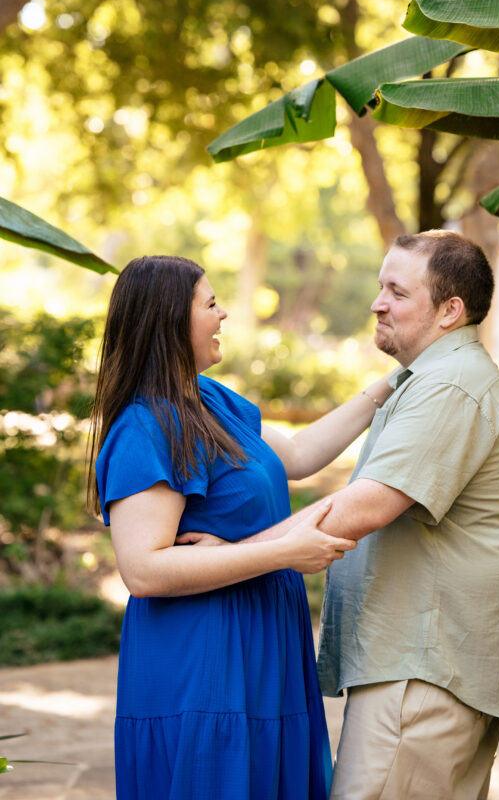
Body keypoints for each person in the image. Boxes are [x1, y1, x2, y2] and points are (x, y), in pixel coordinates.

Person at [86, 254, 393, 800]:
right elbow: (143, 570)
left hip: (262, 639)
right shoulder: (145, 426)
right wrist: (280, 552)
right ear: (169, 321)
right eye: (209, 304)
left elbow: (297, 454)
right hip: (203, 653)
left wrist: (392, 385)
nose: (223, 313)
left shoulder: (211, 400)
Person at [313, 230, 499, 800]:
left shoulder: (452, 384)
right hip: (428, 669)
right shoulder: (434, 378)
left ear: (449, 311)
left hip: (421, 673)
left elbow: (367, 506)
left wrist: (238, 554)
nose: (377, 303)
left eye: (397, 291)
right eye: (380, 286)